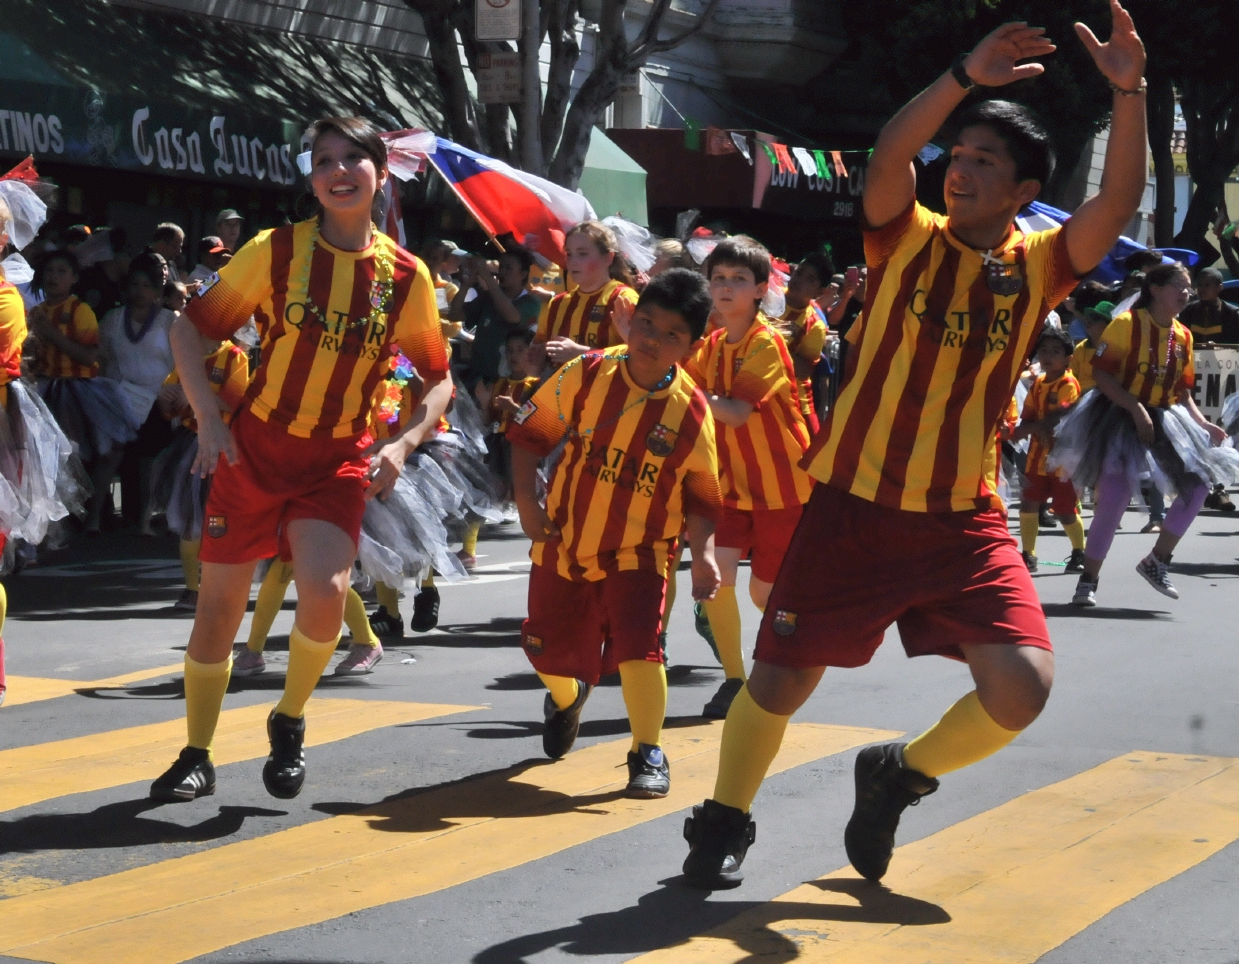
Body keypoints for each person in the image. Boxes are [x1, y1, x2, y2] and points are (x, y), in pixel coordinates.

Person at [681, 5, 1151, 889]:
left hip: (959, 518)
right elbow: (892, 155)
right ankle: (724, 817)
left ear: (1021, 192)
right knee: (780, 685)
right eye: (960, 157)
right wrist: (964, 78)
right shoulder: (903, 234)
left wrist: (1129, 95)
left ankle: (899, 774)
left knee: (1023, 689)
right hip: (851, 503)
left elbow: (1115, 204)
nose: (960, 171)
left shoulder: (1041, 264)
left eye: (984, 163)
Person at [147, 116, 452, 803]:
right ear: (310, 176)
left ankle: (288, 718)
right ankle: (196, 751)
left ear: (380, 171)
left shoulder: (404, 275)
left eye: (352, 159)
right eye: (323, 161)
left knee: (325, 592)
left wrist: (402, 443)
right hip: (254, 450)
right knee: (219, 609)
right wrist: (208, 423)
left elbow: (437, 380)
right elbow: (187, 329)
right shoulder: (276, 249)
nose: (338, 172)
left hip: (335, 460)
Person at [507, 268, 722, 797]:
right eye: (645, 323)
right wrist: (527, 504)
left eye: (671, 334)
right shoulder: (587, 374)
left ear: (690, 348)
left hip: (642, 549)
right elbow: (531, 436)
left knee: (639, 648)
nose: (651, 339)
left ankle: (647, 750)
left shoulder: (692, 412)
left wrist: (707, 555)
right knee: (542, 649)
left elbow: (702, 494)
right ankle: (567, 696)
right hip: (564, 538)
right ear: (630, 320)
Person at [1054, 263, 1239, 606]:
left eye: (1188, 288)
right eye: (1179, 287)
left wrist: (1202, 423)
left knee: (1198, 486)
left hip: (1167, 417)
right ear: (1154, 290)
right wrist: (1136, 410)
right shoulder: (1126, 325)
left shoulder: (1183, 335)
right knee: (1114, 497)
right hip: (1118, 414)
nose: (1186, 293)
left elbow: (1182, 392)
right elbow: (1103, 375)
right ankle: (1088, 579)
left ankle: (1157, 560)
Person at [683, 236, 813, 720]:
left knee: (764, 593)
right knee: (713, 581)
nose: (726, 288)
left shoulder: (767, 343)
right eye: (718, 278)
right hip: (732, 486)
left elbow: (734, 412)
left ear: (761, 290)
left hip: (783, 487)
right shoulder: (712, 344)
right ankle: (736, 680)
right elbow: (680, 382)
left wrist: (681, 393)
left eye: (739, 280)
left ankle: (797, 648)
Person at [152, 324, 250, 611]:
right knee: (189, 520)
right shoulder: (188, 355)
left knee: (218, 520)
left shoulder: (234, 357)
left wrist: (194, 397)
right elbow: (169, 397)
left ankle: (219, 588)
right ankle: (192, 589)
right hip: (188, 444)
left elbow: (237, 402)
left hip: (221, 446)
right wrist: (168, 398)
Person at [29, 251, 138, 501]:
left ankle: (92, 512)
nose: (54, 276)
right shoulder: (36, 312)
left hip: (78, 391)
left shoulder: (80, 310)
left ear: (74, 278)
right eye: (49, 271)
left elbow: (90, 357)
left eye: (61, 271)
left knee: (85, 452)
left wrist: (51, 334)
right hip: (44, 386)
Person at [89, 253, 177, 533]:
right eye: (135, 284)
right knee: (110, 457)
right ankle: (93, 518)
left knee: (149, 460)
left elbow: (179, 362)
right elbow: (101, 358)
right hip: (118, 396)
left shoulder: (169, 321)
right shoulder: (113, 319)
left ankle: (144, 520)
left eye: (146, 285)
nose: (140, 291)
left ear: (156, 292)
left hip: (156, 398)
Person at [1012, 327, 1085, 572]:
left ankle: (1079, 551)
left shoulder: (1069, 383)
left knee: (1065, 510)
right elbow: (1029, 416)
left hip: (1064, 460)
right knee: (1028, 503)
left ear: (1068, 359)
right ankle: (1028, 554)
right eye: (1043, 350)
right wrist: (1027, 428)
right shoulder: (1038, 383)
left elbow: (1060, 415)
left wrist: (1031, 428)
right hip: (1037, 457)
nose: (1047, 356)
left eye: (1055, 351)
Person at [528, 221, 638, 372]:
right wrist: (535, 357)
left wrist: (580, 353)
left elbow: (640, 358)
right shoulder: (557, 304)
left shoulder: (624, 299)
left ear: (608, 258)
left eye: (583, 254)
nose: (573, 261)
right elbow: (534, 368)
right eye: (569, 253)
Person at [453, 245, 542, 386]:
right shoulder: (488, 297)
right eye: (501, 267)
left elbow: (513, 317)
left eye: (509, 268)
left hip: (509, 380)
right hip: (478, 375)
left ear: (523, 274)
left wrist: (487, 277)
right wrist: (465, 285)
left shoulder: (531, 303)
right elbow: (455, 315)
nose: (502, 272)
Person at [475, 328, 539, 505]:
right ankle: (502, 500)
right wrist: (485, 404)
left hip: (524, 442)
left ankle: (518, 502)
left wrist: (512, 408)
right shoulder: (500, 384)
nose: (514, 356)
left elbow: (537, 419)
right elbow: (489, 420)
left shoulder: (535, 385)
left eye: (520, 350)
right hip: (501, 439)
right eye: (510, 350)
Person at [780, 252, 833, 433]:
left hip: (794, 403)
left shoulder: (814, 325)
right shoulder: (767, 298)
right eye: (799, 272)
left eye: (810, 279)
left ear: (821, 292)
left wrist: (776, 344)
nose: (799, 280)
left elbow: (804, 372)